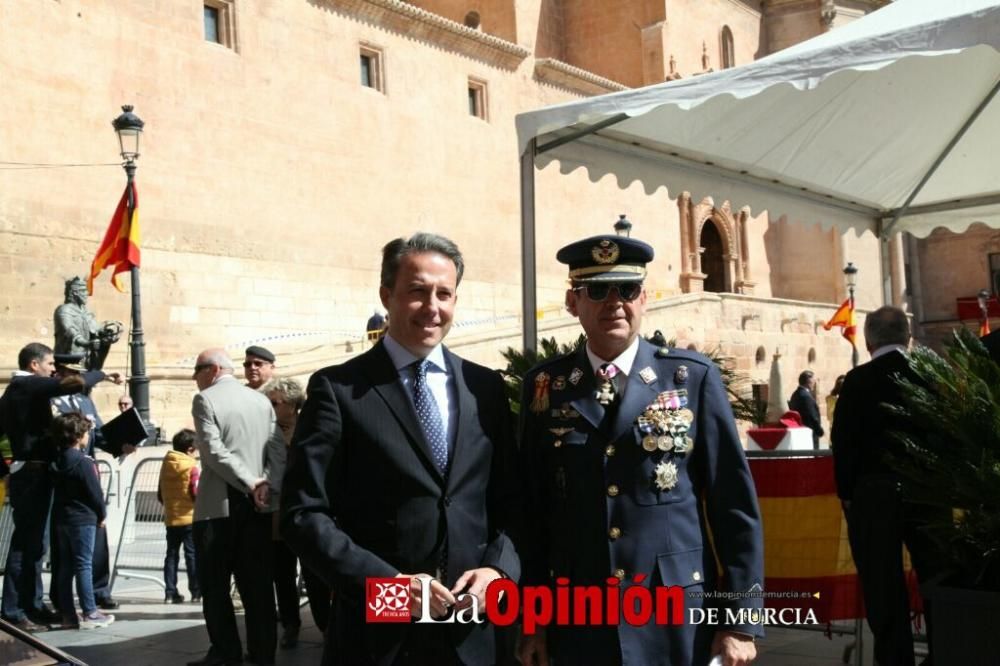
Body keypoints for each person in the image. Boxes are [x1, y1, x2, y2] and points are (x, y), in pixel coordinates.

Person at [518, 233, 764, 666]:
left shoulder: (690, 379)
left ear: (645, 299)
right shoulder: (546, 388)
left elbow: (734, 506)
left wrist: (740, 621)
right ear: (573, 302)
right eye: (597, 290)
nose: (615, 302)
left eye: (627, 289)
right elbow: (532, 514)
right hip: (579, 614)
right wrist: (532, 621)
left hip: (674, 614)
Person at [281, 232, 520, 666]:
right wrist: (389, 589)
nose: (433, 307)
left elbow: (510, 501)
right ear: (386, 295)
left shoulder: (485, 388)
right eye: (418, 292)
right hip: (379, 640)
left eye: (444, 294)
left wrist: (498, 572)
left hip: (475, 637)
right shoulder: (339, 390)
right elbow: (302, 514)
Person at [832, 306, 947, 666]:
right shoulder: (929, 376)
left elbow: (844, 444)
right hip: (927, 491)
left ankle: (895, 659)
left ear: (868, 340)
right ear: (907, 337)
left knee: (883, 587)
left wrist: (849, 496)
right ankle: (945, 652)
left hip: (872, 494)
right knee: (938, 577)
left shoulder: (856, 381)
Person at [0, 342, 116, 632]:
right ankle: (13, 611)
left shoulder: (15, 391)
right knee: (25, 546)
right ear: (34, 365)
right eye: (50, 364)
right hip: (32, 473)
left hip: (29, 471)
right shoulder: (26, 386)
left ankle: (33, 606)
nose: (54, 369)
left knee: (35, 546)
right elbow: (72, 383)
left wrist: (8, 469)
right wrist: (101, 374)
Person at [187, 348, 287, 666]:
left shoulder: (205, 400)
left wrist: (250, 482)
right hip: (259, 506)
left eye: (197, 371)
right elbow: (277, 449)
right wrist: (268, 483)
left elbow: (214, 452)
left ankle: (226, 652)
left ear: (213, 369)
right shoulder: (260, 400)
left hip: (220, 508)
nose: (196, 379)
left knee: (215, 586)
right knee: (258, 585)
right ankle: (263, 652)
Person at [49, 353, 129, 612]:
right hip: (65, 477)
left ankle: (98, 590)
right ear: (61, 374)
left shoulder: (84, 401)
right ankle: (62, 600)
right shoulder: (51, 401)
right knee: (66, 547)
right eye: (74, 374)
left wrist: (125, 426)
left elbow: (101, 436)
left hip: (87, 473)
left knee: (96, 536)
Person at [49, 412, 114, 630]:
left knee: (65, 566)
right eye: (86, 432)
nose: (88, 436)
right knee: (84, 564)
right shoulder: (84, 462)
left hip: (62, 518)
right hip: (84, 518)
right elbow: (95, 493)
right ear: (78, 436)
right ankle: (90, 611)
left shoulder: (57, 461)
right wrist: (102, 514)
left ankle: (68, 614)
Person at [158, 428, 201, 604]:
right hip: (190, 517)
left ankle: (170, 592)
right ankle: (196, 592)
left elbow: (160, 493)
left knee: (171, 555)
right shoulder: (192, 466)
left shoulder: (166, 464)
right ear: (190, 449)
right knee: (192, 555)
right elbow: (195, 491)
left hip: (171, 518)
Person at [788, 370, 823, 448]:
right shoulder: (806, 396)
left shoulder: (795, 394)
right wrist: (819, 430)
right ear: (808, 381)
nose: (814, 384)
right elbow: (812, 415)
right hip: (810, 433)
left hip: (800, 432)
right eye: (813, 381)